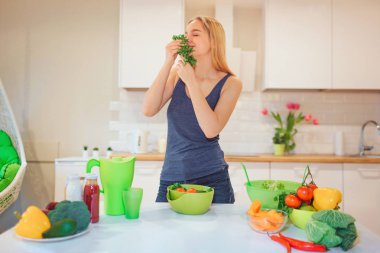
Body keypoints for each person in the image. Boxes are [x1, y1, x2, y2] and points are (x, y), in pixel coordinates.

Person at [143, 16, 242, 203]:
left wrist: (192, 82)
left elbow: (211, 129)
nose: (187, 39)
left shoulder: (231, 83)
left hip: (212, 177)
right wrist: (168, 62)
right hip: (172, 177)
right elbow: (148, 109)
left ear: (213, 40)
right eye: (186, 34)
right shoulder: (177, 75)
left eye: (195, 34)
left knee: (217, 233)